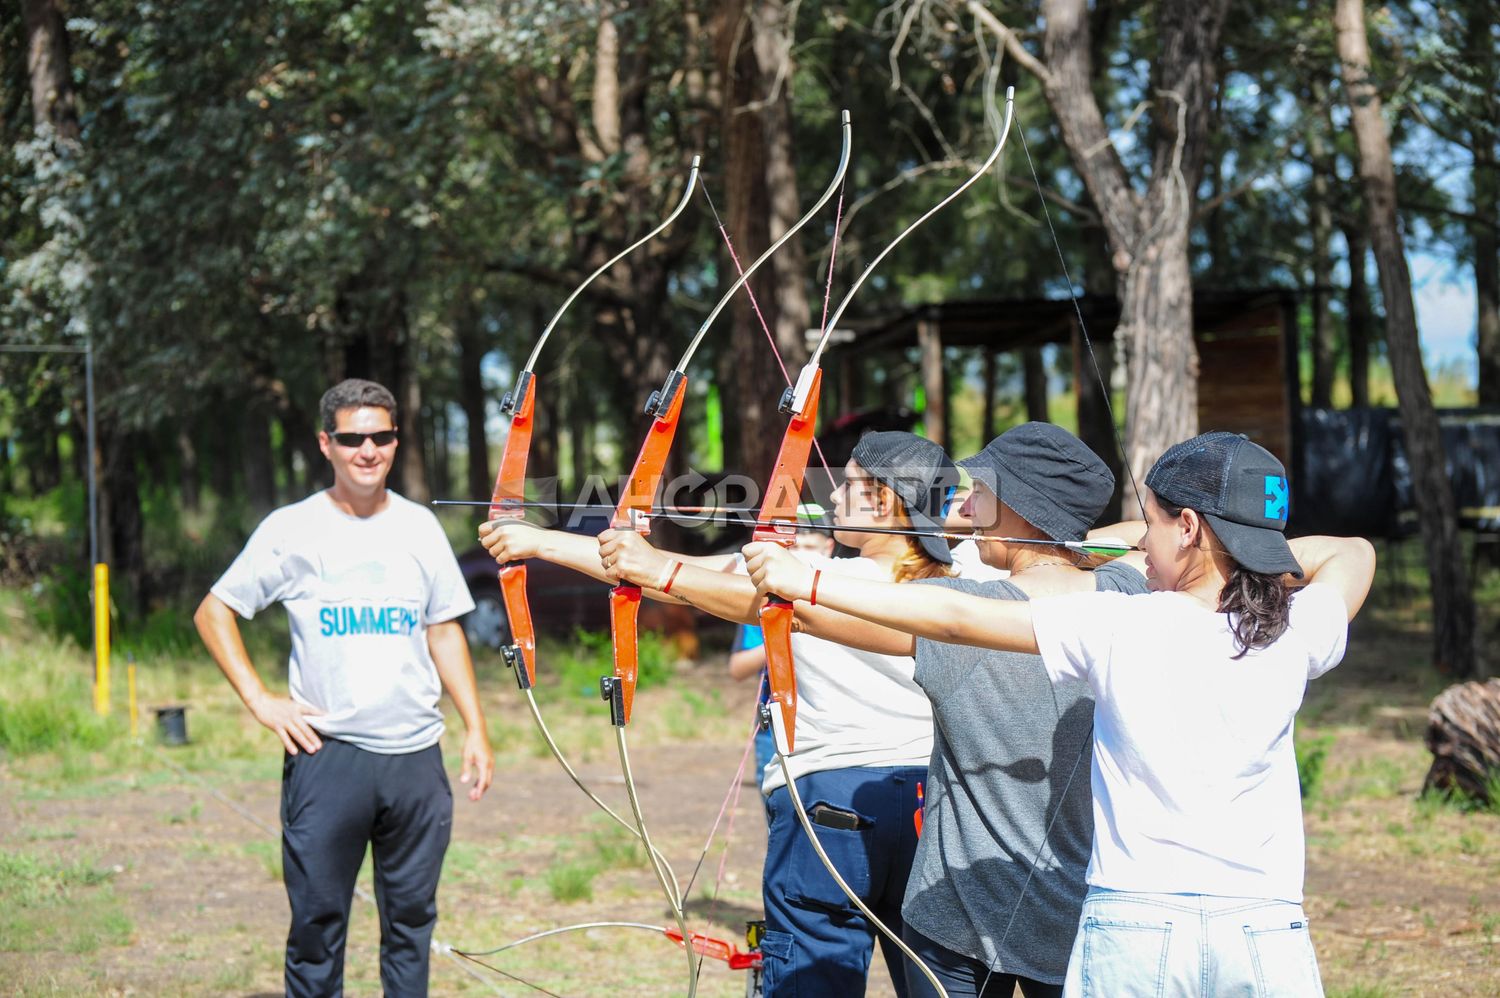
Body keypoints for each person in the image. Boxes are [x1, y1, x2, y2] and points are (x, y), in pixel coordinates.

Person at [745, 431, 1378, 997]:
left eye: (1151, 524)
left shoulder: (1121, 622)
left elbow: (957, 617)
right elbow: (1351, 551)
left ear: (1187, 527)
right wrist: (1241, 552)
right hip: (1266, 928)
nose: (1141, 538)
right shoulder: (1294, 632)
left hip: (1140, 923)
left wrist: (808, 584)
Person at [482, 430, 956, 996]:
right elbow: (680, 567)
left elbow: (678, 579)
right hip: (937, 811)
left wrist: (546, 545)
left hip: (830, 810)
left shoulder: (814, 581)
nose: (830, 499)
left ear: (883, 502)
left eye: (847, 487)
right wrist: (550, 543)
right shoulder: (971, 582)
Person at [194, 378, 494, 998]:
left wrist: (476, 729)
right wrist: (260, 699)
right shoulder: (292, 528)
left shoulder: (420, 529)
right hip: (327, 759)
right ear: (326, 444)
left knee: (411, 925)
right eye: (352, 438)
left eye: (380, 436)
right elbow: (214, 611)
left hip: (415, 760)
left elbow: (443, 632)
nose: (368, 450)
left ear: (394, 440)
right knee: (317, 926)